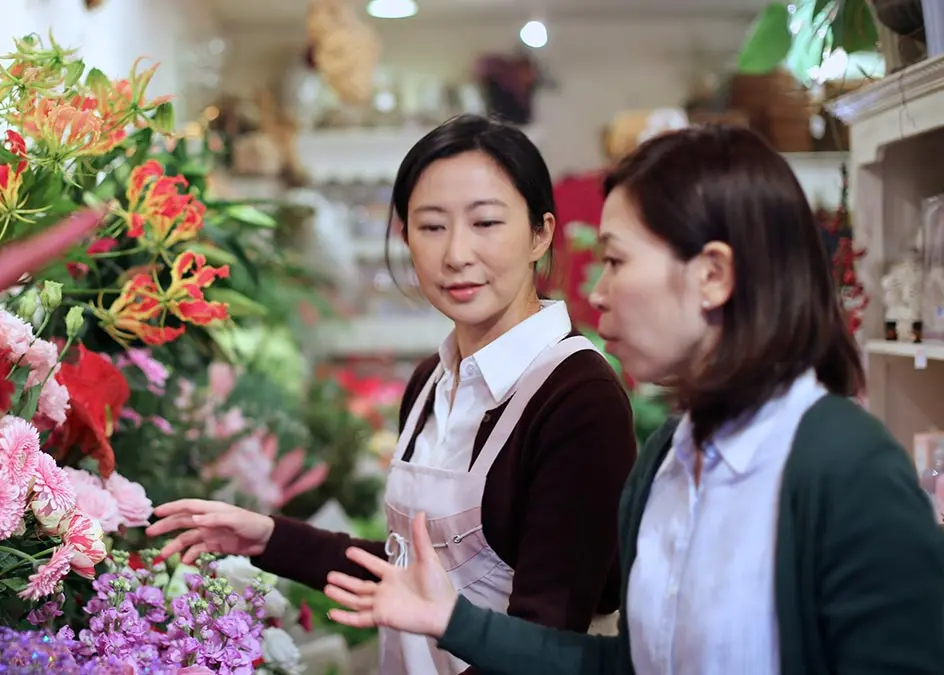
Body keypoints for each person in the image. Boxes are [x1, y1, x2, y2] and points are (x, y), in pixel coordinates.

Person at [319, 124, 944, 675]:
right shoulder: (670, 457)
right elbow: (628, 663)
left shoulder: (844, 466)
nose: (598, 289)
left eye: (615, 260)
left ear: (714, 275)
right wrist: (453, 621)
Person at [146, 114, 638, 674]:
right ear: (404, 235)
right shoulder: (433, 379)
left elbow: (543, 639)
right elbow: (417, 576)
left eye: (485, 223)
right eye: (431, 227)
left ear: (540, 233)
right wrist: (266, 538)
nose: (456, 254)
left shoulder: (578, 397)